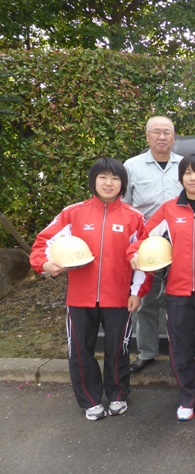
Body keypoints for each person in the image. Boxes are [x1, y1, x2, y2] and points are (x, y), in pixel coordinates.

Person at [30, 157, 150, 420]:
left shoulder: (135, 218)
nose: (109, 183)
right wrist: (44, 265)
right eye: (103, 177)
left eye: (115, 178)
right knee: (80, 351)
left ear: (123, 183)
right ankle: (89, 400)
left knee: (118, 349)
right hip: (80, 299)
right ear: (93, 180)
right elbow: (43, 243)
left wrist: (136, 292)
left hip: (119, 299)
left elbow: (143, 259)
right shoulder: (73, 213)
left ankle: (118, 395)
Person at [128, 153, 195, 421]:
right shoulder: (169, 209)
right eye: (188, 173)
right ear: (181, 177)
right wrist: (133, 253)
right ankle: (187, 396)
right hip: (177, 291)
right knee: (180, 346)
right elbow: (143, 237)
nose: (193, 177)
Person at [123, 116, 183, 373]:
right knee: (144, 298)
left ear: (173, 136)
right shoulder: (132, 166)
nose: (161, 137)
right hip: (146, 242)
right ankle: (147, 351)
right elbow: (124, 205)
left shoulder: (185, 166)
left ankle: (181, 351)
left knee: (180, 299)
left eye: (166, 132)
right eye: (156, 132)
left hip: (180, 243)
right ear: (147, 136)